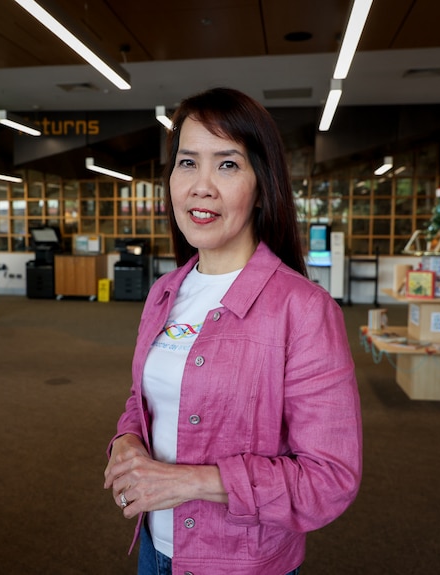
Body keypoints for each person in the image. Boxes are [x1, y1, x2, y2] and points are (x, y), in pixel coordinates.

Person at [103, 87, 362, 575]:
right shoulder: (164, 293)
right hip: (156, 553)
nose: (201, 186)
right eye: (187, 163)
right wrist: (126, 440)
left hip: (241, 565)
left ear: (261, 184)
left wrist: (193, 482)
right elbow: (143, 401)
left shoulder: (303, 310)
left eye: (227, 165)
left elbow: (330, 479)